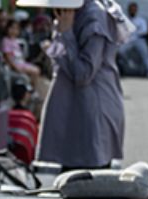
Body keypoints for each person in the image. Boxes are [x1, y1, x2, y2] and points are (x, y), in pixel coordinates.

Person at [32, 0, 127, 170]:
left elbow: (83, 73)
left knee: (89, 182)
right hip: (73, 108)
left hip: (91, 110)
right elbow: (58, 58)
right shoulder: (68, 12)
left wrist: (66, 32)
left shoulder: (94, 16)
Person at [119, 2, 148, 78]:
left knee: (145, 52)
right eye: (131, 9)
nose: (132, 11)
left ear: (136, 10)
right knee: (120, 51)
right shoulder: (124, 19)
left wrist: (134, 33)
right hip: (128, 40)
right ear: (128, 10)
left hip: (138, 40)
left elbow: (144, 31)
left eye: (134, 9)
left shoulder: (141, 20)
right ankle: (129, 63)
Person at [8, 80, 40, 164]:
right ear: (25, 95)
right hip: (23, 160)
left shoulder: (6, 115)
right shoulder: (29, 117)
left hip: (7, 157)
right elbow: (34, 144)